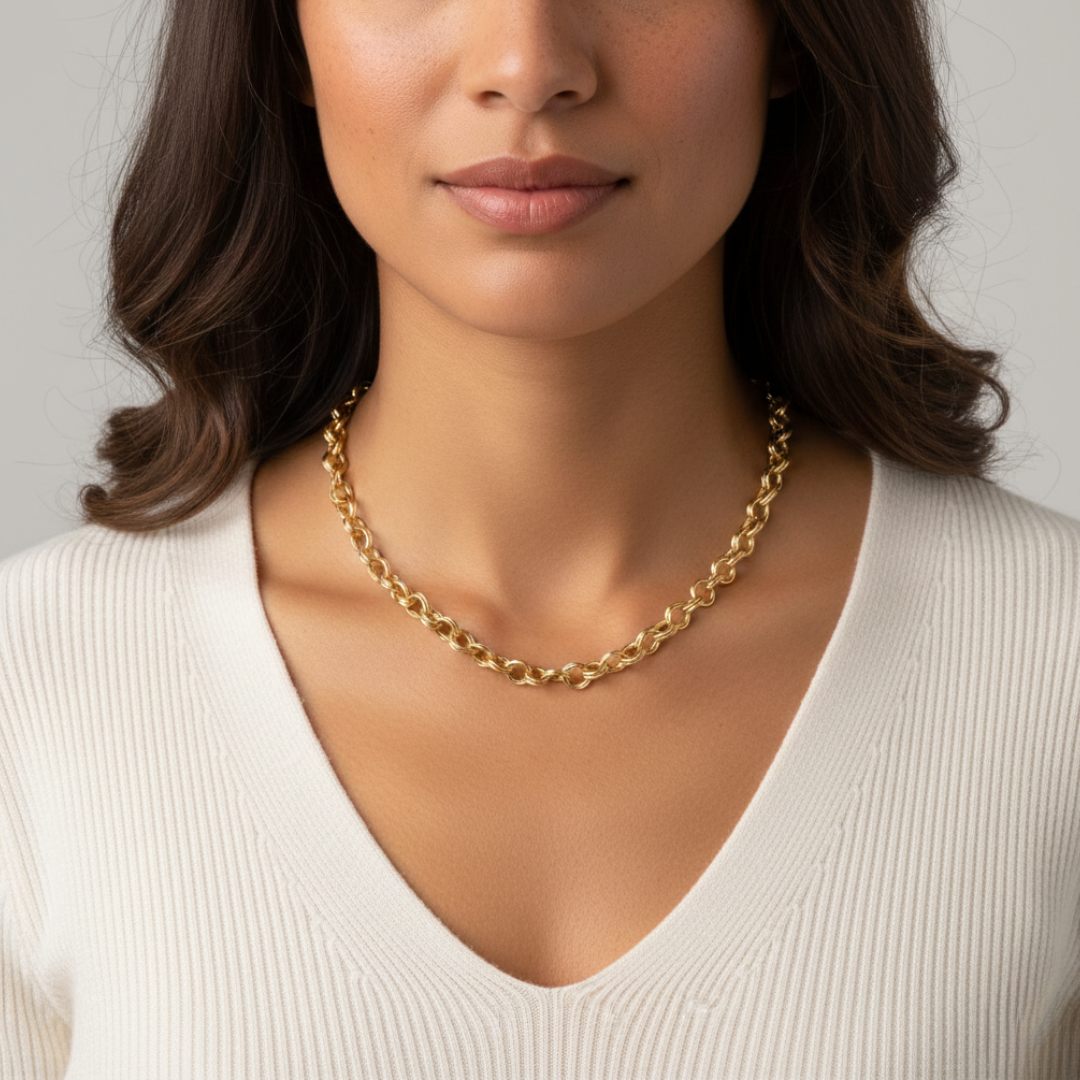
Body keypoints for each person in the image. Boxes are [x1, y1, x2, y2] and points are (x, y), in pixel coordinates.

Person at [1, 0, 1077, 1074]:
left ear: (792, 34)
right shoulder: (36, 681)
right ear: (286, 40)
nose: (529, 66)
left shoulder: (1051, 663)